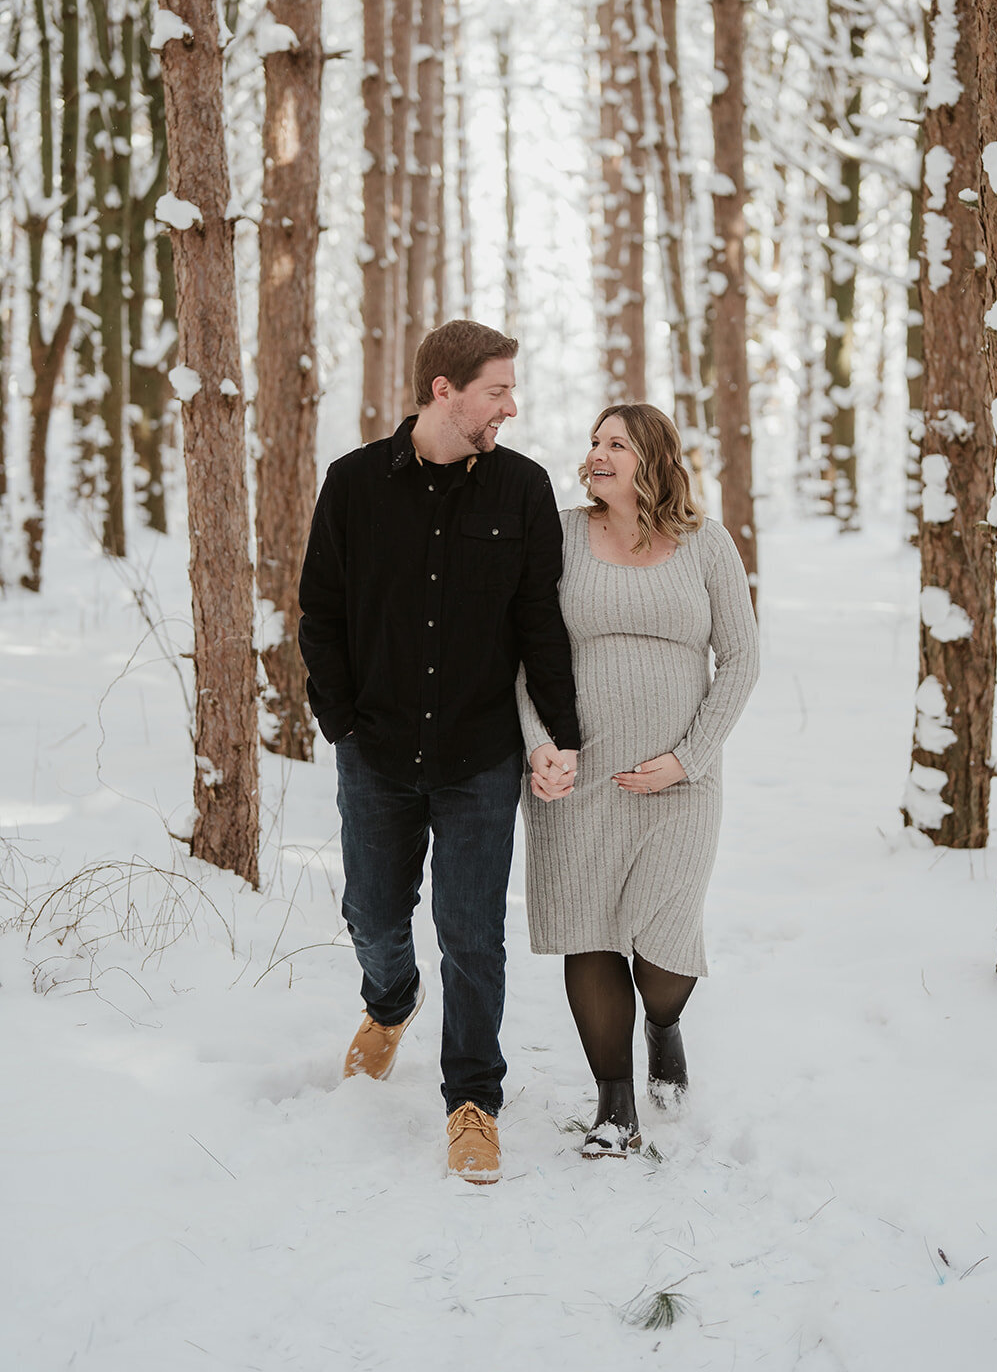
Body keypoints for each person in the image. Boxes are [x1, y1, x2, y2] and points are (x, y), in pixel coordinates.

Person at [298, 321, 580, 1184]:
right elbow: (321, 612)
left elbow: (539, 622)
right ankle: (389, 1002)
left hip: (478, 758)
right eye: (497, 388)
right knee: (374, 917)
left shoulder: (522, 488)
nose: (511, 405)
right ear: (443, 390)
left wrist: (560, 736)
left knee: (472, 936)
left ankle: (472, 1103)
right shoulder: (352, 484)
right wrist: (341, 721)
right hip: (375, 750)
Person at [518, 403, 759, 1157]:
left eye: (614, 443)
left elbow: (742, 659)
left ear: (651, 457)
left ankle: (663, 1023)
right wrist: (539, 746)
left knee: (661, 949)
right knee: (587, 936)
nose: (595, 453)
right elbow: (524, 648)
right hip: (575, 780)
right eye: (591, 441)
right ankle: (614, 1109)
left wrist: (689, 756)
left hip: (680, 780)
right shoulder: (558, 534)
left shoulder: (703, 542)